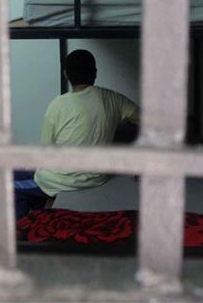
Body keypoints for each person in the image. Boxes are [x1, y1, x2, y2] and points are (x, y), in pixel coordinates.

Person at [14, 50, 140, 219]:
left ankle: (23, 231)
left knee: (11, 182)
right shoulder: (114, 99)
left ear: (66, 74)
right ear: (95, 73)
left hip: (60, 180)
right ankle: (40, 213)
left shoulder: (57, 105)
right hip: (96, 178)